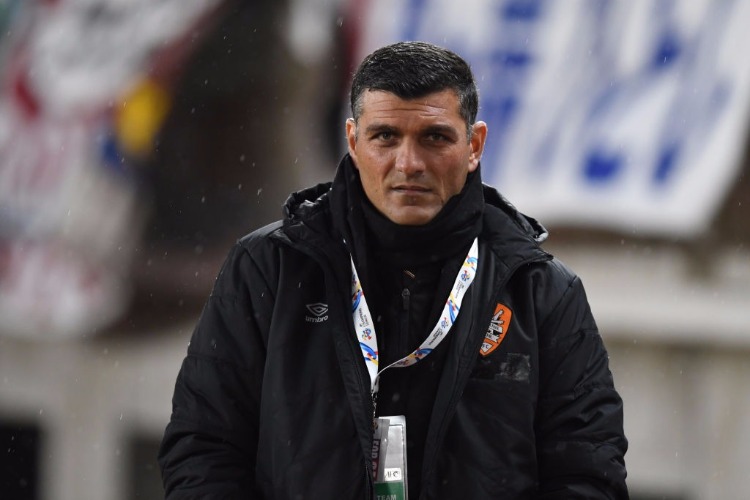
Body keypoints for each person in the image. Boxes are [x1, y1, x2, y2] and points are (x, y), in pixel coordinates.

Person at [158, 41, 628, 499]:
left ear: (474, 145)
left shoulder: (541, 292)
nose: (409, 163)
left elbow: (589, 472)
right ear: (353, 142)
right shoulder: (268, 270)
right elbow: (203, 451)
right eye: (385, 136)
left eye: (435, 137)